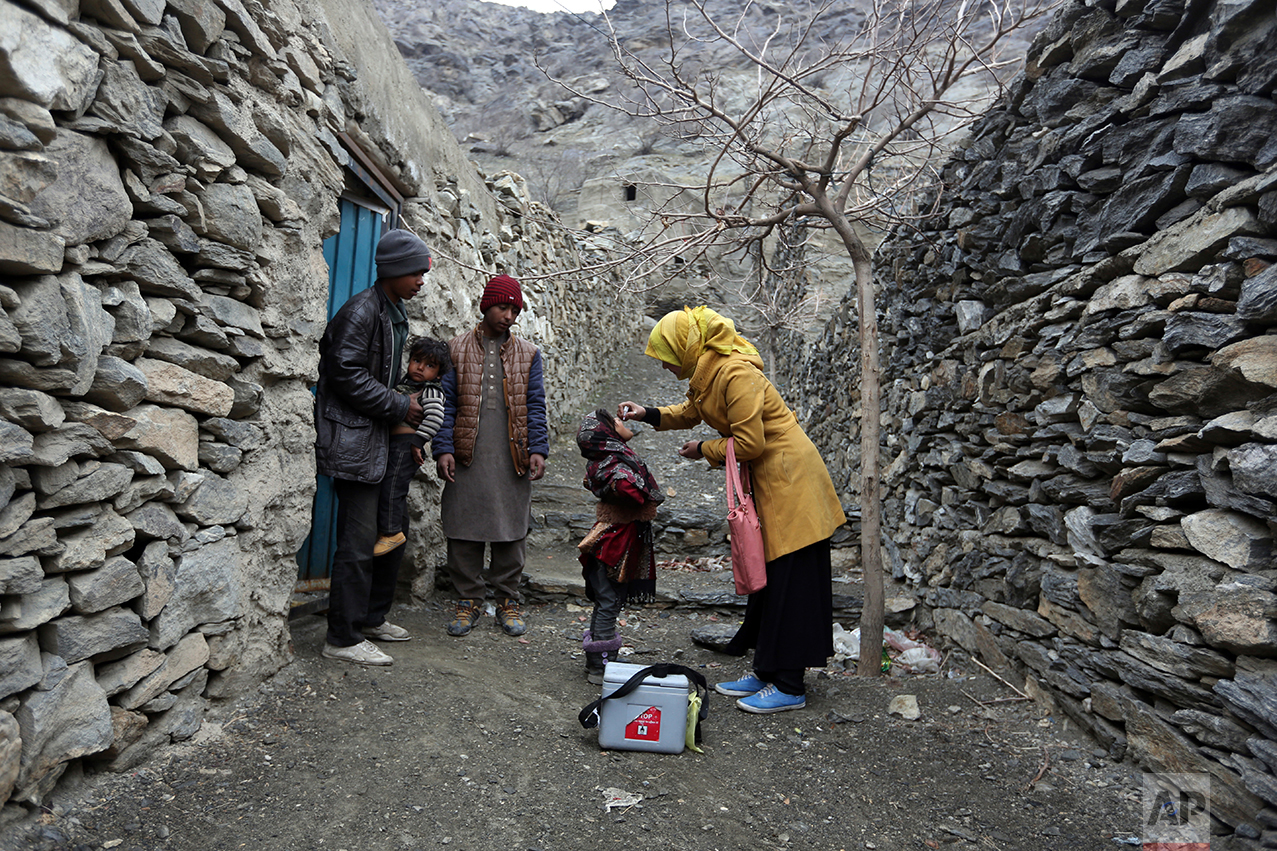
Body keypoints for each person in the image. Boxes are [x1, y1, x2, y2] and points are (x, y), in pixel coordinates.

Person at [617, 305, 846, 713]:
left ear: (686, 348)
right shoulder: (711, 372)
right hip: (773, 483)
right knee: (769, 582)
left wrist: (704, 450)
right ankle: (766, 669)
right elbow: (693, 411)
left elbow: (752, 444)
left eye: (667, 359)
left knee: (791, 584)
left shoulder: (736, 373)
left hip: (793, 483)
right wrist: (649, 413)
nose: (667, 368)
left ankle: (790, 684)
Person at [315, 228, 431, 666]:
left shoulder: (392, 311)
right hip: (354, 442)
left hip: (379, 440)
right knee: (359, 541)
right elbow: (344, 373)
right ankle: (342, 639)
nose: (422, 279)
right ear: (394, 271)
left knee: (391, 532)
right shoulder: (362, 311)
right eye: (416, 271)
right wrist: (400, 405)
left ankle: (369, 618)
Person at [433, 274, 548, 637]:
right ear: (486, 306)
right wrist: (444, 448)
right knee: (464, 528)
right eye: (502, 307)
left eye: (515, 309)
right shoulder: (455, 349)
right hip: (469, 454)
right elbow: (446, 404)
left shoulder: (529, 355)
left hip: (512, 454)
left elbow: (535, 405)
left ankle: (507, 599)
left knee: (510, 529)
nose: (509, 316)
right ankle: (467, 599)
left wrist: (538, 449)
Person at [575, 408, 665, 684]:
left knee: (606, 601)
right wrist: (640, 490)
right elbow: (630, 492)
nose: (621, 421)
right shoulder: (616, 464)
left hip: (611, 537)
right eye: (615, 421)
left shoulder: (605, 460)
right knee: (609, 600)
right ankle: (600, 668)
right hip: (615, 543)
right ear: (607, 433)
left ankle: (600, 660)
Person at [373, 337, 451, 557]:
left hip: (406, 445)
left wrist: (418, 442)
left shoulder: (431, 390)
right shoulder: (405, 385)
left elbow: (435, 418)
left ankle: (391, 533)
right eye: (417, 360)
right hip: (395, 444)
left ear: (438, 374)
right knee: (387, 486)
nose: (420, 368)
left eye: (429, 365)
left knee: (393, 488)